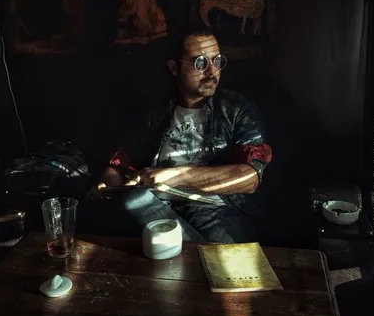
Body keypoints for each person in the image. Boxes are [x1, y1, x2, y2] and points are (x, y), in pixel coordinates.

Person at [85, 27, 272, 243]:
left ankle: (191, 249)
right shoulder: (156, 113)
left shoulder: (238, 110)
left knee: (219, 248)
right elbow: (120, 163)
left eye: (217, 61)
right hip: (159, 205)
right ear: (175, 68)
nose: (212, 72)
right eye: (200, 63)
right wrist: (108, 185)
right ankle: (193, 251)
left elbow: (251, 178)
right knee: (134, 200)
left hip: (215, 209)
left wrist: (174, 176)